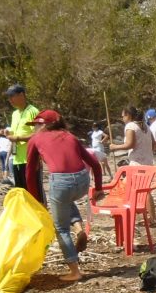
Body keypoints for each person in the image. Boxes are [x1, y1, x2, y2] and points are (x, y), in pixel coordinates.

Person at [25, 110, 105, 282]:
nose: (35, 128)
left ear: (46, 124)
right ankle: (79, 229)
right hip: (82, 181)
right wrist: (98, 187)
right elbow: (95, 164)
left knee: (61, 228)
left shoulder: (35, 140)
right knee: (65, 201)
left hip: (61, 182)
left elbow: (30, 173)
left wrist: (34, 199)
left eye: (38, 125)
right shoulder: (70, 136)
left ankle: (75, 271)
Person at [109, 105, 156, 226]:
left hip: (137, 163)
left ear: (128, 115)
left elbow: (129, 144)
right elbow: (152, 144)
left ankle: (121, 211)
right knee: (144, 190)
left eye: (123, 116)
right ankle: (149, 216)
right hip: (148, 161)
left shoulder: (130, 126)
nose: (122, 118)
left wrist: (115, 147)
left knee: (130, 187)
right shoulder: (146, 127)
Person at [1, 84, 39, 191]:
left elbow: (38, 134)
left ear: (21, 95)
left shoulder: (33, 111)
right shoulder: (14, 114)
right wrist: (8, 133)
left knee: (33, 193)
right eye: (8, 97)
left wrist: (18, 138)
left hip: (30, 159)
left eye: (12, 96)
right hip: (16, 159)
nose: (10, 100)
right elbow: (14, 134)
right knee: (21, 192)